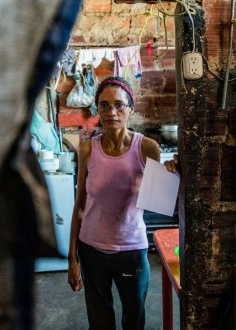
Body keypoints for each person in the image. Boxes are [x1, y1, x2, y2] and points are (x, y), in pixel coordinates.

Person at [67, 76, 178, 329]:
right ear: (97, 110)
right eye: (104, 105)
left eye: (119, 105)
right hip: (91, 249)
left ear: (131, 108)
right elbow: (80, 206)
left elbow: (159, 198)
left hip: (131, 251)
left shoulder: (147, 148)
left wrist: (172, 172)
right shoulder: (87, 149)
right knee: (100, 321)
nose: (111, 112)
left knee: (134, 318)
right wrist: (72, 258)